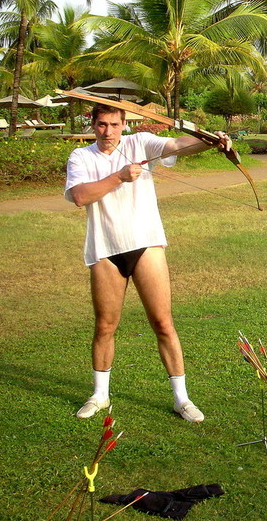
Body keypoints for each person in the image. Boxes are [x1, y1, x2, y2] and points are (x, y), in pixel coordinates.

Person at [65, 103, 233, 423]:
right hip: (104, 249)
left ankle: (181, 399)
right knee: (105, 326)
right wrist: (118, 176)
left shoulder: (139, 142)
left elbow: (178, 145)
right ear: (93, 124)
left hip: (146, 244)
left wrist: (212, 139)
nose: (108, 132)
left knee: (163, 323)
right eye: (101, 125)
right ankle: (100, 396)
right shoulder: (81, 157)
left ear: (123, 123)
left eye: (114, 124)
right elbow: (79, 196)